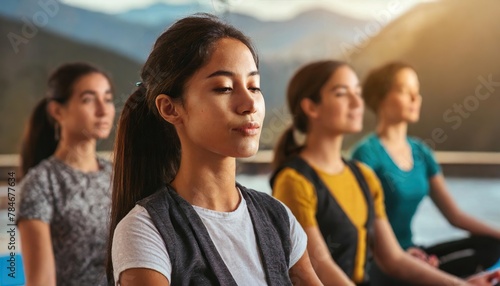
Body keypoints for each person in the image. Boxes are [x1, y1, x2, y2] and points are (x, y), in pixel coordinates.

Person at [107, 14, 321, 286]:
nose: (249, 104)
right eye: (224, 88)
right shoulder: (146, 230)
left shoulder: (277, 217)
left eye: (254, 86)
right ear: (170, 108)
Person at [271, 60, 500, 286]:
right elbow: (320, 266)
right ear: (311, 107)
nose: (356, 102)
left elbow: (394, 259)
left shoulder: (363, 176)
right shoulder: (294, 181)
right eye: (342, 93)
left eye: (358, 93)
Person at [351, 62, 500, 281]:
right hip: (380, 261)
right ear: (380, 98)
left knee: (492, 245)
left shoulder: (421, 151)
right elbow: (357, 226)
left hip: (414, 251)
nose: (415, 98)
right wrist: (406, 257)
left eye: (417, 91)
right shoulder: (366, 154)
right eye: (404, 90)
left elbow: (455, 215)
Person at [17, 62, 116, 286]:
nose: (103, 110)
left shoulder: (116, 175)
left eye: (108, 99)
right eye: (88, 99)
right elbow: (41, 281)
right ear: (57, 111)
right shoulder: (41, 183)